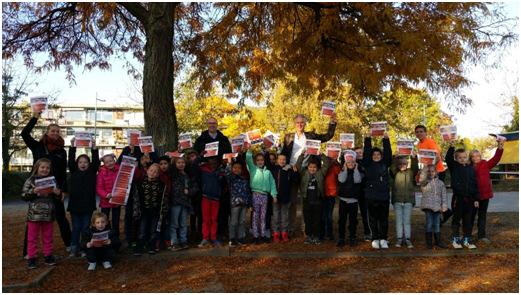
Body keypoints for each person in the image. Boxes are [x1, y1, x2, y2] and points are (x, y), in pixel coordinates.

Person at [21, 111, 71, 256]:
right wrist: (35, 117)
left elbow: (63, 172)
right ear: (47, 132)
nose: (55, 133)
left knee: (61, 218)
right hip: (37, 190)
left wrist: (63, 191)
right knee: (33, 219)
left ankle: (70, 245)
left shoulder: (62, 151)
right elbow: (24, 134)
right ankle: (28, 252)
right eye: (52, 131)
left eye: (57, 131)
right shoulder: (37, 146)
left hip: (54, 190)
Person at [281, 113, 337, 234]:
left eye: (302, 122)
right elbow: (284, 153)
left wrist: (332, 123)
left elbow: (327, 136)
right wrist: (284, 166)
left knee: (307, 201)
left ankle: (306, 228)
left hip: (308, 171)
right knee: (292, 202)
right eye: (297, 122)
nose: (300, 124)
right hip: (292, 171)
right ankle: (290, 228)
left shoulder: (311, 135)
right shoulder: (288, 137)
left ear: (305, 124)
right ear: (294, 124)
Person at [22, 158, 60, 269]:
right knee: (32, 237)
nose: (45, 169)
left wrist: (58, 193)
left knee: (48, 237)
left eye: (47, 167)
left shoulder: (52, 180)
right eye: (42, 167)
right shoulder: (31, 180)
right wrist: (32, 191)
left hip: (48, 214)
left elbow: (57, 197)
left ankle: (48, 256)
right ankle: (32, 258)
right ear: (37, 168)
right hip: (34, 214)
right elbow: (23, 195)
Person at [67, 137, 100, 257]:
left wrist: (94, 148)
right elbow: (70, 160)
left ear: (89, 164)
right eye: (80, 162)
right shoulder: (74, 171)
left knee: (85, 228)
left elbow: (96, 161)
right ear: (77, 164)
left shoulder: (92, 172)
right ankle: (73, 247)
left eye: (85, 162)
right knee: (76, 227)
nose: (83, 164)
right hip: (75, 205)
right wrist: (72, 146)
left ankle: (83, 247)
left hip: (87, 205)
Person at [445, 143, 480, 249]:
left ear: (467, 157)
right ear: (456, 159)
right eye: (459, 158)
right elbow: (448, 159)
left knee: (468, 220)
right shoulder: (454, 167)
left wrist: (476, 198)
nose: (462, 159)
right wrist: (451, 147)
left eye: (464, 157)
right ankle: (455, 239)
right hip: (458, 199)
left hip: (470, 200)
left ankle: (466, 240)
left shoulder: (471, 169)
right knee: (456, 220)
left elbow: (474, 184)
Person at [469, 139, 504, 243]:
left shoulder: (485, 164)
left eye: (478, 156)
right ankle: (468, 235)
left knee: (482, 216)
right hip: (473, 196)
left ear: (480, 156)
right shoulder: (468, 167)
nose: (476, 158)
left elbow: (496, 159)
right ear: (471, 158)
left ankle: (481, 236)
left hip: (485, 195)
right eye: (473, 156)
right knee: (471, 216)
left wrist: (500, 147)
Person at [362, 133, 392, 249]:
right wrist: (368, 139)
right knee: (373, 219)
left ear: (381, 155)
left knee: (384, 219)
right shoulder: (367, 164)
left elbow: (388, 154)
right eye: (374, 154)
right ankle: (375, 238)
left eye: (378, 154)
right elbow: (366, 152)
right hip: (371, 196)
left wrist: (386, 140)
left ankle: (383, 238)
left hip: (383, 196)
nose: (376, 156)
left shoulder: (385, 164)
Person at [296, 153, 331, 245]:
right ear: (307, 167)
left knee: (317, 220)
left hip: (318, 201)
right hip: (307, 200)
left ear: (317, 168)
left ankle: (316, 236)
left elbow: (326, 164)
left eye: (314, 167)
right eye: (310, 167)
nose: (312, 169)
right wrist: (303, 154)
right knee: (308, 220)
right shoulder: (304, 173)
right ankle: (309, 236)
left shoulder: (320, 173)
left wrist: (321, 154)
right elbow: (298, 165)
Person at [246, 148, 278, 244]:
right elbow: (248, 159)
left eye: (262, 160)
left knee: (263, 216)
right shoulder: (253, 169)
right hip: (255, 195)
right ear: (255, 162)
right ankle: (255, 236)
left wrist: (274, 195)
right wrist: (249, 150)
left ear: (264, 161)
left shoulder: (268, 172)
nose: (260, 162)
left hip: (265, 196)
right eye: (258, 160)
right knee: (255, 216)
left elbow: (272, 184)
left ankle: (263, 234)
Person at [135, 164, 169, 254]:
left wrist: (163, 211)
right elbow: (136, 198)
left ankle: (152, 246)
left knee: (153, 230)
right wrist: (136, 210)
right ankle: (140, 246)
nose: (152, 173)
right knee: (142, 229)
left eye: (155, 172)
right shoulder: (140, 182)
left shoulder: (161, 185)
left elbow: (164, 199)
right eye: (151, 170)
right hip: (143, 210)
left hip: (155, 210)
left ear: (158, 174)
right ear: (147, 171)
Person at [390, 154, 419, 248]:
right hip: (397, 200)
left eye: (404, 163)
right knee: (399, 221)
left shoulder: (411, 172)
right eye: (400, 163)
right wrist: (394, 158)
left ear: (407, 164)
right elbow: (392, 166)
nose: (402, 165)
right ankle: (399, 239)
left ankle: (407, 239)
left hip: (408, 201)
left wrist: (414, 158)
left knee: (406, 221)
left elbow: (415, 168)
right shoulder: (395, 173)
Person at [267, 153, 297, 242]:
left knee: (285, 217)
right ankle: (276, 233)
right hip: (275, 197)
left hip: (285, 198)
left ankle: (284, 233)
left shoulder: (289, 171)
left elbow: (295, 180)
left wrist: (295, 172)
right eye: (280, 159)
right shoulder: (273, 169)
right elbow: (268, 163)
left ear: (286, 161)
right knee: (276, 216)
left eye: (284, 159)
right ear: (277, 160)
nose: (282, 161)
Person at [170, 157, 198, 251]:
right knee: (174, 223)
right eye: (178, 162)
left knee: (183, 223)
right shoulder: (173, 174)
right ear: (175, 164)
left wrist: (189, 192)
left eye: (183, 162)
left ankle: (183, 240)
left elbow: (194, 187)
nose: (181, 164)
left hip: (185, 202)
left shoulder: (188, 175)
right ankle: (174, 242)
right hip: (175, 202)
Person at [198, 157, 227, 248]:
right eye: (210, 163)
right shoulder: (203, 170)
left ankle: (213, 237)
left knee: (214, 219)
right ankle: (205, 238)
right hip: (205, 197)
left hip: (216, 198)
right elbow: (193, 167)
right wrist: (200, 157)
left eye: (214, 163)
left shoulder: (221, 171)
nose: (212, 165)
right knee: (206, 219)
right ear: (207, 163)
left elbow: (224, 183)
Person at [96, 153, 122, 250]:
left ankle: (116, 242)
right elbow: (99, 187)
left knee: (116, 222)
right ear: (104, 164)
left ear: (114, 160)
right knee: (104, 222)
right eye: (107, 162)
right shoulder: (101, 172)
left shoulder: (119, 169)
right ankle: (104, 240)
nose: (109, 163)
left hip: (116, 201)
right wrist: (106, 195)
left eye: (111, 161)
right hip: (105, 202)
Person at [419, 165, 448, 249]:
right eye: (429, 171)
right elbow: (421, 180)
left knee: (437, 224)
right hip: (428, 206)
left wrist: (444, 205)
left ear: (436, 172)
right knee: (429, 224)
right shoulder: (425, 182)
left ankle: (438, 241)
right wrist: (425, 170)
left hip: (437, 207)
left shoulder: (440, 183)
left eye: (433, 171)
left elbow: (444, 195)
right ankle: (429, 242)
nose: (431, 173)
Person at [336, 157, 363, 247]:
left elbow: (357, 180)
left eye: (352, 162)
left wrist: (355, 169)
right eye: (348, 162)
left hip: (353, 201)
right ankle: (341, 238)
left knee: (353, 221)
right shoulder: (342, 172)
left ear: (355, 163)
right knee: (342, 220)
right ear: (345, 163)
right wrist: (345, 169)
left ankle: (352, 237)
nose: (350, 164)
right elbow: (341, 180)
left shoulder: (358, 172)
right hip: (343, 200)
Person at [225, 158, 252, 246]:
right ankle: (232, 238)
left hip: (244, 203)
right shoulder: (231, 178)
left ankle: (241, 237)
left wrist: (249, 203)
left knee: (242, 221)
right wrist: (229, 164)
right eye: (235, 168)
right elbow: (227, 174)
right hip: (235, 204)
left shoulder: (244, 180)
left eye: (239, 168)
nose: (237, 169)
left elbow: (247, 192)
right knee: (234, 221)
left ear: (241, 169)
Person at [322, 156, 341, 241]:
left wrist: (337, 164)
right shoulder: (321, 165)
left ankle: (329, 234)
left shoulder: (335, 166)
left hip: (331, 193)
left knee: (329, 215)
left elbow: (339, 173)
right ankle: (323, 233)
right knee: (323, 215)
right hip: (322, 193)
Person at [354, 146, 371, 241]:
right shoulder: (350, 163)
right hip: (354, 193)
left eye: (361, 152)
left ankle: (368, 233)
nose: (359, 154)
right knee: (353, 215)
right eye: (357, 152)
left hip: (364, 193)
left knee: (366, 214)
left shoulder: (367, 163)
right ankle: (353, 234)